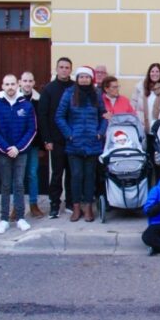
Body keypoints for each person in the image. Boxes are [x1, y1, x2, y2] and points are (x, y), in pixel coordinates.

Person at [0, 74, 37, 235]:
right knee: (6, 185)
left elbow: (32, 129)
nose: (10, 87)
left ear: (18, 85)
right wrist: (6, 147)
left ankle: (21, 217)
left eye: (13, 84)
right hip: (3, 153)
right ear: (2, 86)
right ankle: (4, 219)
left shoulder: (27, 106)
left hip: (21, 152)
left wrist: (18, 148)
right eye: (7, 84)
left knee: (19, 184)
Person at [56, 66, 107, 223]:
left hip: (92, 143)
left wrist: (100, 132)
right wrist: (69, 134)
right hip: (75, 143)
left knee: (90, 176)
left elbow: (104, 116)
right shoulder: (69, 94)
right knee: (76, 176)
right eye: (81, 77)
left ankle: (88, 208)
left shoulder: (97, 94)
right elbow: (59, 116)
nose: (84, 79)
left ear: (90, 79)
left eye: (87, 77)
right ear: (77, 78)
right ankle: (76, 207)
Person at [38, 57, 75, 219]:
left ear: (70, 70)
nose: (64, 70)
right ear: (56, 69)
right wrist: (47, 139)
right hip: (56, 139)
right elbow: (43, 115)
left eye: (67, 67)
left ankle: (70, 202)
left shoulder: (76, 88)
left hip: (73, 138)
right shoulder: (49, 89)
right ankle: (54, 204)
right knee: (57, 173)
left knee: (72, 172)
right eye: (61, 67)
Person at [19, 71, 45, 219]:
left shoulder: (38, 100)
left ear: (34, 83)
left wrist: (41, 146)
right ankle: (17, 206)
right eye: (25, 81)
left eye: (30, 81)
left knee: (32, 174)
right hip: (17, 146)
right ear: (20, 82)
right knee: (18, 176)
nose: (27, 84)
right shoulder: (12, 98)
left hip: (33, 144)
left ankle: (34, 204)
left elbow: (40, 124)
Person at [131, 63, 160, 160]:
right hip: (144, 129)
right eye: (152, 71)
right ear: (149, 73)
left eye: (157, 71)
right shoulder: (141, 88)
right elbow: (133, 105)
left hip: (159, 130)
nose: (154, 74)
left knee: (159, 158)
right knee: (147, 157)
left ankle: (159, 175)